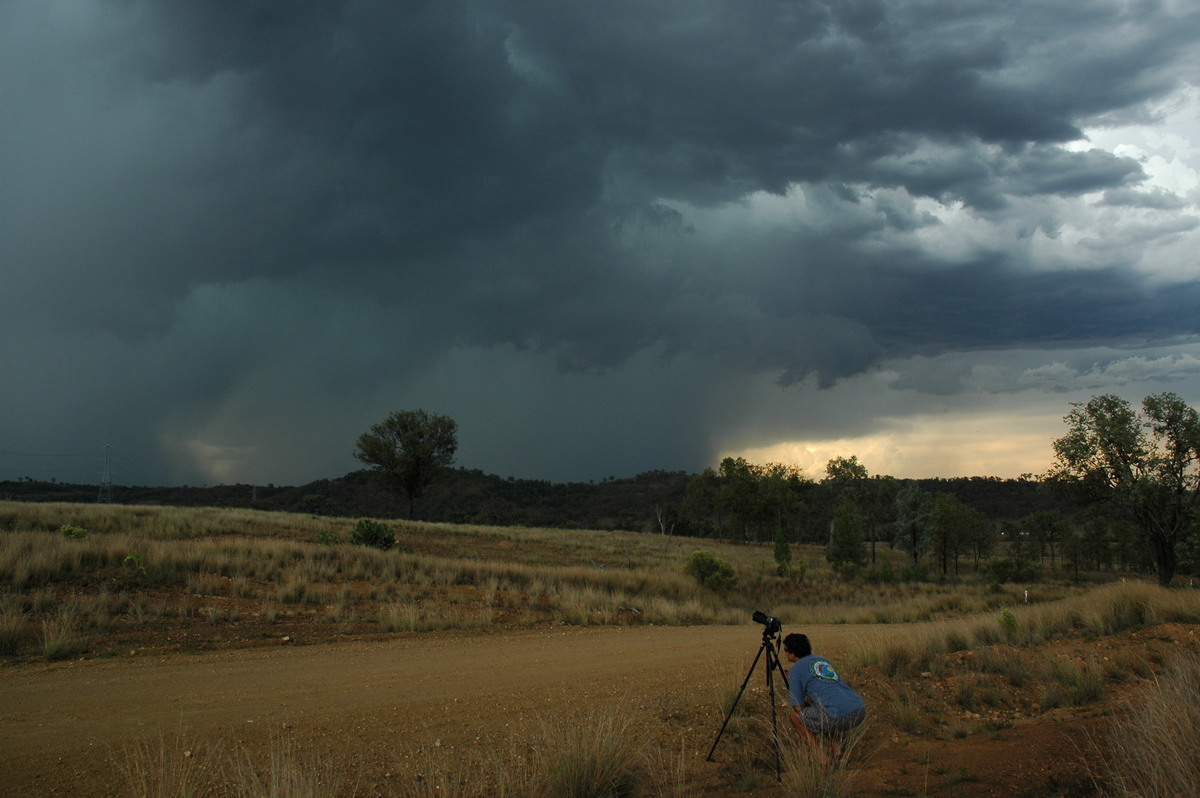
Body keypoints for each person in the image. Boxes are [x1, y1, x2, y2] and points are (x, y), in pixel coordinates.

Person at [782, 632, 865, 759]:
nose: (785, 653)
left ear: (792, 653)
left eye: (785, 650)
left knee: (796, 717)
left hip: (838, 715)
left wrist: (794, 677)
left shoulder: (796, 670)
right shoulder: (822, 660)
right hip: (858, 710)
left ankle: (822, 760)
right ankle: (838, 753)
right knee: (822, 709)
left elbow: (797, 707)